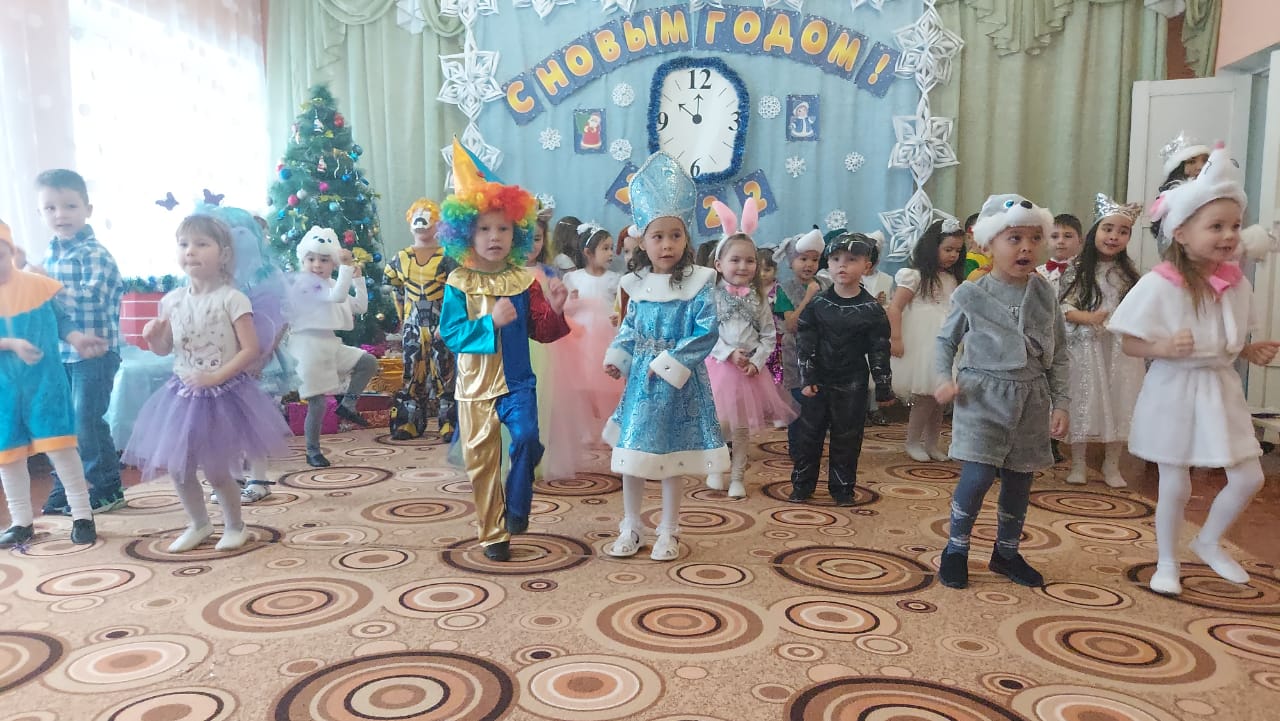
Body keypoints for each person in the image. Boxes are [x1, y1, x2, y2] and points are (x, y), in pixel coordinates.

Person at [1108, 144, 1280, 595]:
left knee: (1249, 476)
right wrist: (1162, 346)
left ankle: (1207, 541)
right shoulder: (1159, 284)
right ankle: (1167, 561)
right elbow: (1128, 341)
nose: (1229, 235)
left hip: (1220, 389)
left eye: (1235, 226)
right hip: (1174, 389)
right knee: (1175, 482)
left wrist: (1248, 351)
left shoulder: (1236, 284)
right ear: (1181, 232)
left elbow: (1227, 341)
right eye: (1216, 226)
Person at [123, 214, 290, 552]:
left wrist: (215, 376)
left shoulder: (232, 299)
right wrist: (153, 337)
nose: (191, 251)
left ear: (223, 254)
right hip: (181, 395)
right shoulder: (172, 300)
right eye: (184, 244)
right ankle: (198, 523)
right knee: (178, 468)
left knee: (216, 470)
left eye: (201, 244)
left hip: (222, 394)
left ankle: (235, 526)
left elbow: (250, 350)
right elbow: (165, 348)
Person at [438, 140, 570, 562]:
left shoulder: (523, 281)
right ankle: (493, 533)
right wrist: (488, 323)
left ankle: (517, 506)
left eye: (503, 229)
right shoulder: (458, 282)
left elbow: (541, 332)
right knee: (482, 462)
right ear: (466, 233)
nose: (494, 237)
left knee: (528, 439)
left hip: (517, 383)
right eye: (484, 229)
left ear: (517, 234)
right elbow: (451, 334)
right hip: (475, 386)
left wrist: (555, 310)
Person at [934, 195, 1070, 590]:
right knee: (977, 476)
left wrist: (1061, 402)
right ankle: (956, 549)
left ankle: (1006, 553)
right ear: (988, 244)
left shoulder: (1044, 294)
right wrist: (943, 378)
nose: (1026, 247)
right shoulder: (971, 293)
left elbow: (1060, 352)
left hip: (1031, 398)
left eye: (1034, 239)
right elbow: (945, 341)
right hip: (981, 395)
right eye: (1014, 239)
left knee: (1019, 479)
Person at [602, 151, 729, 562]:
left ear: (686, 239)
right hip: (641, 383)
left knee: (673, 458)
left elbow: (705, 331)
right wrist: (619, 356)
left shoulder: (699, 282)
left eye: (675, 235)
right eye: (658, 236)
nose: (667, 244)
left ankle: (669, 530)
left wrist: (671, 362)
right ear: (643, 240)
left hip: (679, 384)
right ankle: (631, 525)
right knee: (632, 456)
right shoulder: (635, 284)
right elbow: (630, 327)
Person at [0, 219, 101, 546]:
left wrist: (77, 339)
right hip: (4, 390)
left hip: (45, 384)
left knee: (61, 447)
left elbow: (61, 320)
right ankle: (21, 522)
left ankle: (82, 515)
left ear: (10, 252)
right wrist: (11, 344)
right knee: (9, 456)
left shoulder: (36, 286)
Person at [34, 169, 126, 515]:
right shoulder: (48, 255)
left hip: (96, 353)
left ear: (87, 209)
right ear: (40, 213)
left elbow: (93, 299)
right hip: (60, 354)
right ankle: (68, 486)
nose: (60, 215)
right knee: (61, 423)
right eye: (50, 208)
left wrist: (48, 285)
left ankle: (106, 487)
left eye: (70, 206)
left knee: (86, 421)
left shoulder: (95, 255)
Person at [789, 232, 894, 505]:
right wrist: (807, 377)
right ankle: (802, 486)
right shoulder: (818, 304)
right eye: (835, 259)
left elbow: (879, 349)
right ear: (828, 264)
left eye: (851, 259)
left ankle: (843, 489)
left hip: (852, 383)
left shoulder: (872, 309)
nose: (842, 265)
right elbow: (805, 343)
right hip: (818, 382)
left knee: (847, 438)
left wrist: (883, 386)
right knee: (808, 436)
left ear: (866, 266)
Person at [703, 200, 797, 498]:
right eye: (735, 260)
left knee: (742, 428)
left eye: (749, 260)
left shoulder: (759, 298)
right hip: (718, 368)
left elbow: (769, 335)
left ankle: (737, 477)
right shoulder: (712, 296)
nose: (743, 266)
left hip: (748, 373)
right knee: (718, 423)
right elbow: (705, 333)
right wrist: (728, 353)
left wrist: (757, 361)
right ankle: (716, 467)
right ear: (719, 264)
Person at [1058, 195, 1146, 487]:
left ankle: (1112, 464)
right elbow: (1063, 307)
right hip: (1087, 346)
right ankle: (1079, 463)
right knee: (1085, 399)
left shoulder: (1130, 275)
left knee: (1119, 399)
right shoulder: (1077, 269)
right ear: (1095, 230)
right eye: (1108, 229)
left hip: (1120, 350)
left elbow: (1140, 309)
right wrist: (1087, 317)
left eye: (1123, 231)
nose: (1114, 236)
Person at [285, 227, 379, 467]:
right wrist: (347, 268)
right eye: (311, 259)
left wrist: (357, 279)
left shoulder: (334, 283)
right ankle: (312, 450)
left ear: (333, 263)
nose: (317, 265)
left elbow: (359, 306)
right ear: (302, 260)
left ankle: (347, 405)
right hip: (307, 347)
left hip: (330, 343)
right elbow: (336, 297)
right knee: (317, 403)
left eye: (324, 260)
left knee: (367, 362)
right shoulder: (302, 284)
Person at [543, 222, 622, 480]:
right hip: (581, 337)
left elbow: (619, 308)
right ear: (588, 252)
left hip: (605, 337)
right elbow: (564, 308)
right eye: (605, 248)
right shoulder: (572, 278)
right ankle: (585, 429)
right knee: (581, 384)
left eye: (611, 248)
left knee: (607, 384)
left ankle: (609, 428)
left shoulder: (615, 280)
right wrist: (572, 301)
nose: (610, 253)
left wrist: (617, 317)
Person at [888, 219, 966, 462]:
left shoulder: (953, 279)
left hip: (947, 342)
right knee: (924, 397)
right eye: (948, 249)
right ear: (932, 247)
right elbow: (895, 308)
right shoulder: (915, 276)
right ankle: (912, 442)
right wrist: (896, 337)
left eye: (957, 250)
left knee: (940, 398)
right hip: (922, 343)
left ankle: (932, 444)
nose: (953, 255)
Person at [384, 198, 458, 441]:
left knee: (444, 371)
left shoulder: (447, 258)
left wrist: (449, 322)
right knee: (411, 371)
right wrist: (404, 320)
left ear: (438, 225)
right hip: (412, 325)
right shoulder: (400, 259)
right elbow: (395, 290)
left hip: (441, 324)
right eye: (416, 216)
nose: (421, 222)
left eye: (428, 217)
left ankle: (449, 423)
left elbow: (456, 294)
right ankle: (409, 421)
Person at [1151, 132, 1211, 241]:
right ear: (1178, 167)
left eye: (1205, 160)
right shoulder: (1171, 198)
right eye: (1191, 162)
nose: (1201, 166)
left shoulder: (1217, 191)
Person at [861, 231, 894, 426]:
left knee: (877, 368)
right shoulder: (853, 278)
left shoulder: (887, 279)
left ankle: (874, 408)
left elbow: (891, 304)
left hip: (878, 330)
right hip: (857, 331)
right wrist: (872, 303)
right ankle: (860, 409)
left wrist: (883, 305)